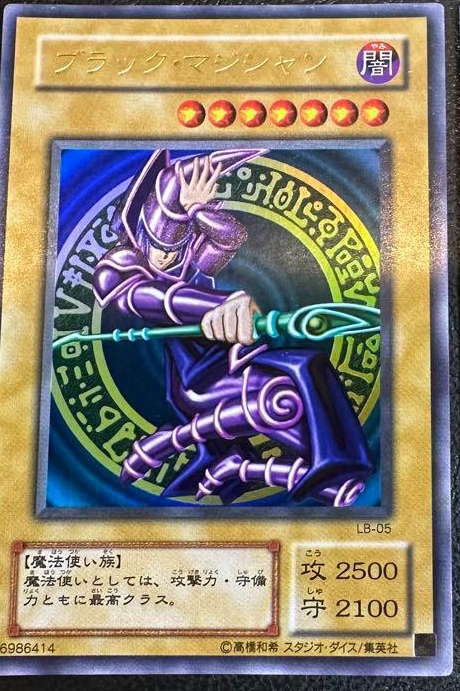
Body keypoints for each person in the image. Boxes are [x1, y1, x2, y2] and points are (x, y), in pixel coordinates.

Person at [92, 148, 372, 506]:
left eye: (176, 247)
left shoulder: (188, 259)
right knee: (283, 395)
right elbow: (149, 298)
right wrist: (216, 305)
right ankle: (183, 440)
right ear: (142, 231)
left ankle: (244, 467)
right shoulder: (118, 267)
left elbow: (229, 237)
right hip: (197, 379)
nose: (167, 258)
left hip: (232, 360)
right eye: (160, 246)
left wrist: (198, 209)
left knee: (306, 370)